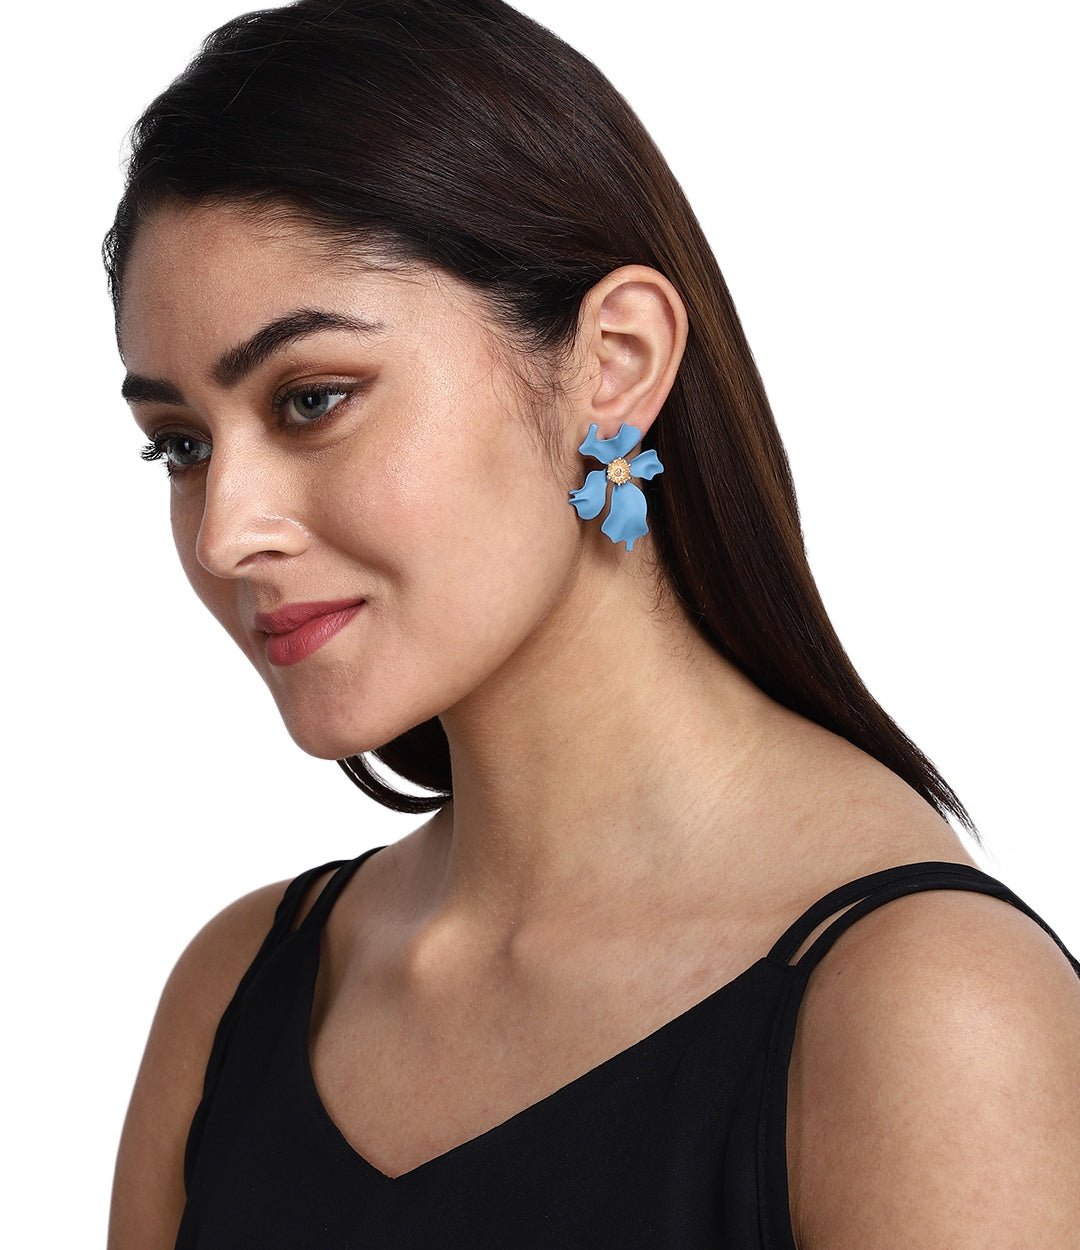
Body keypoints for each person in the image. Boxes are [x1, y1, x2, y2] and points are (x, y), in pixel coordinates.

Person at [104, 0, 1080, 1245]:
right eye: (181, 445)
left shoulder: (927, 1016)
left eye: (312, 399)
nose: (223, 533)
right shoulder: (235, 995)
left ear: (612, 362)